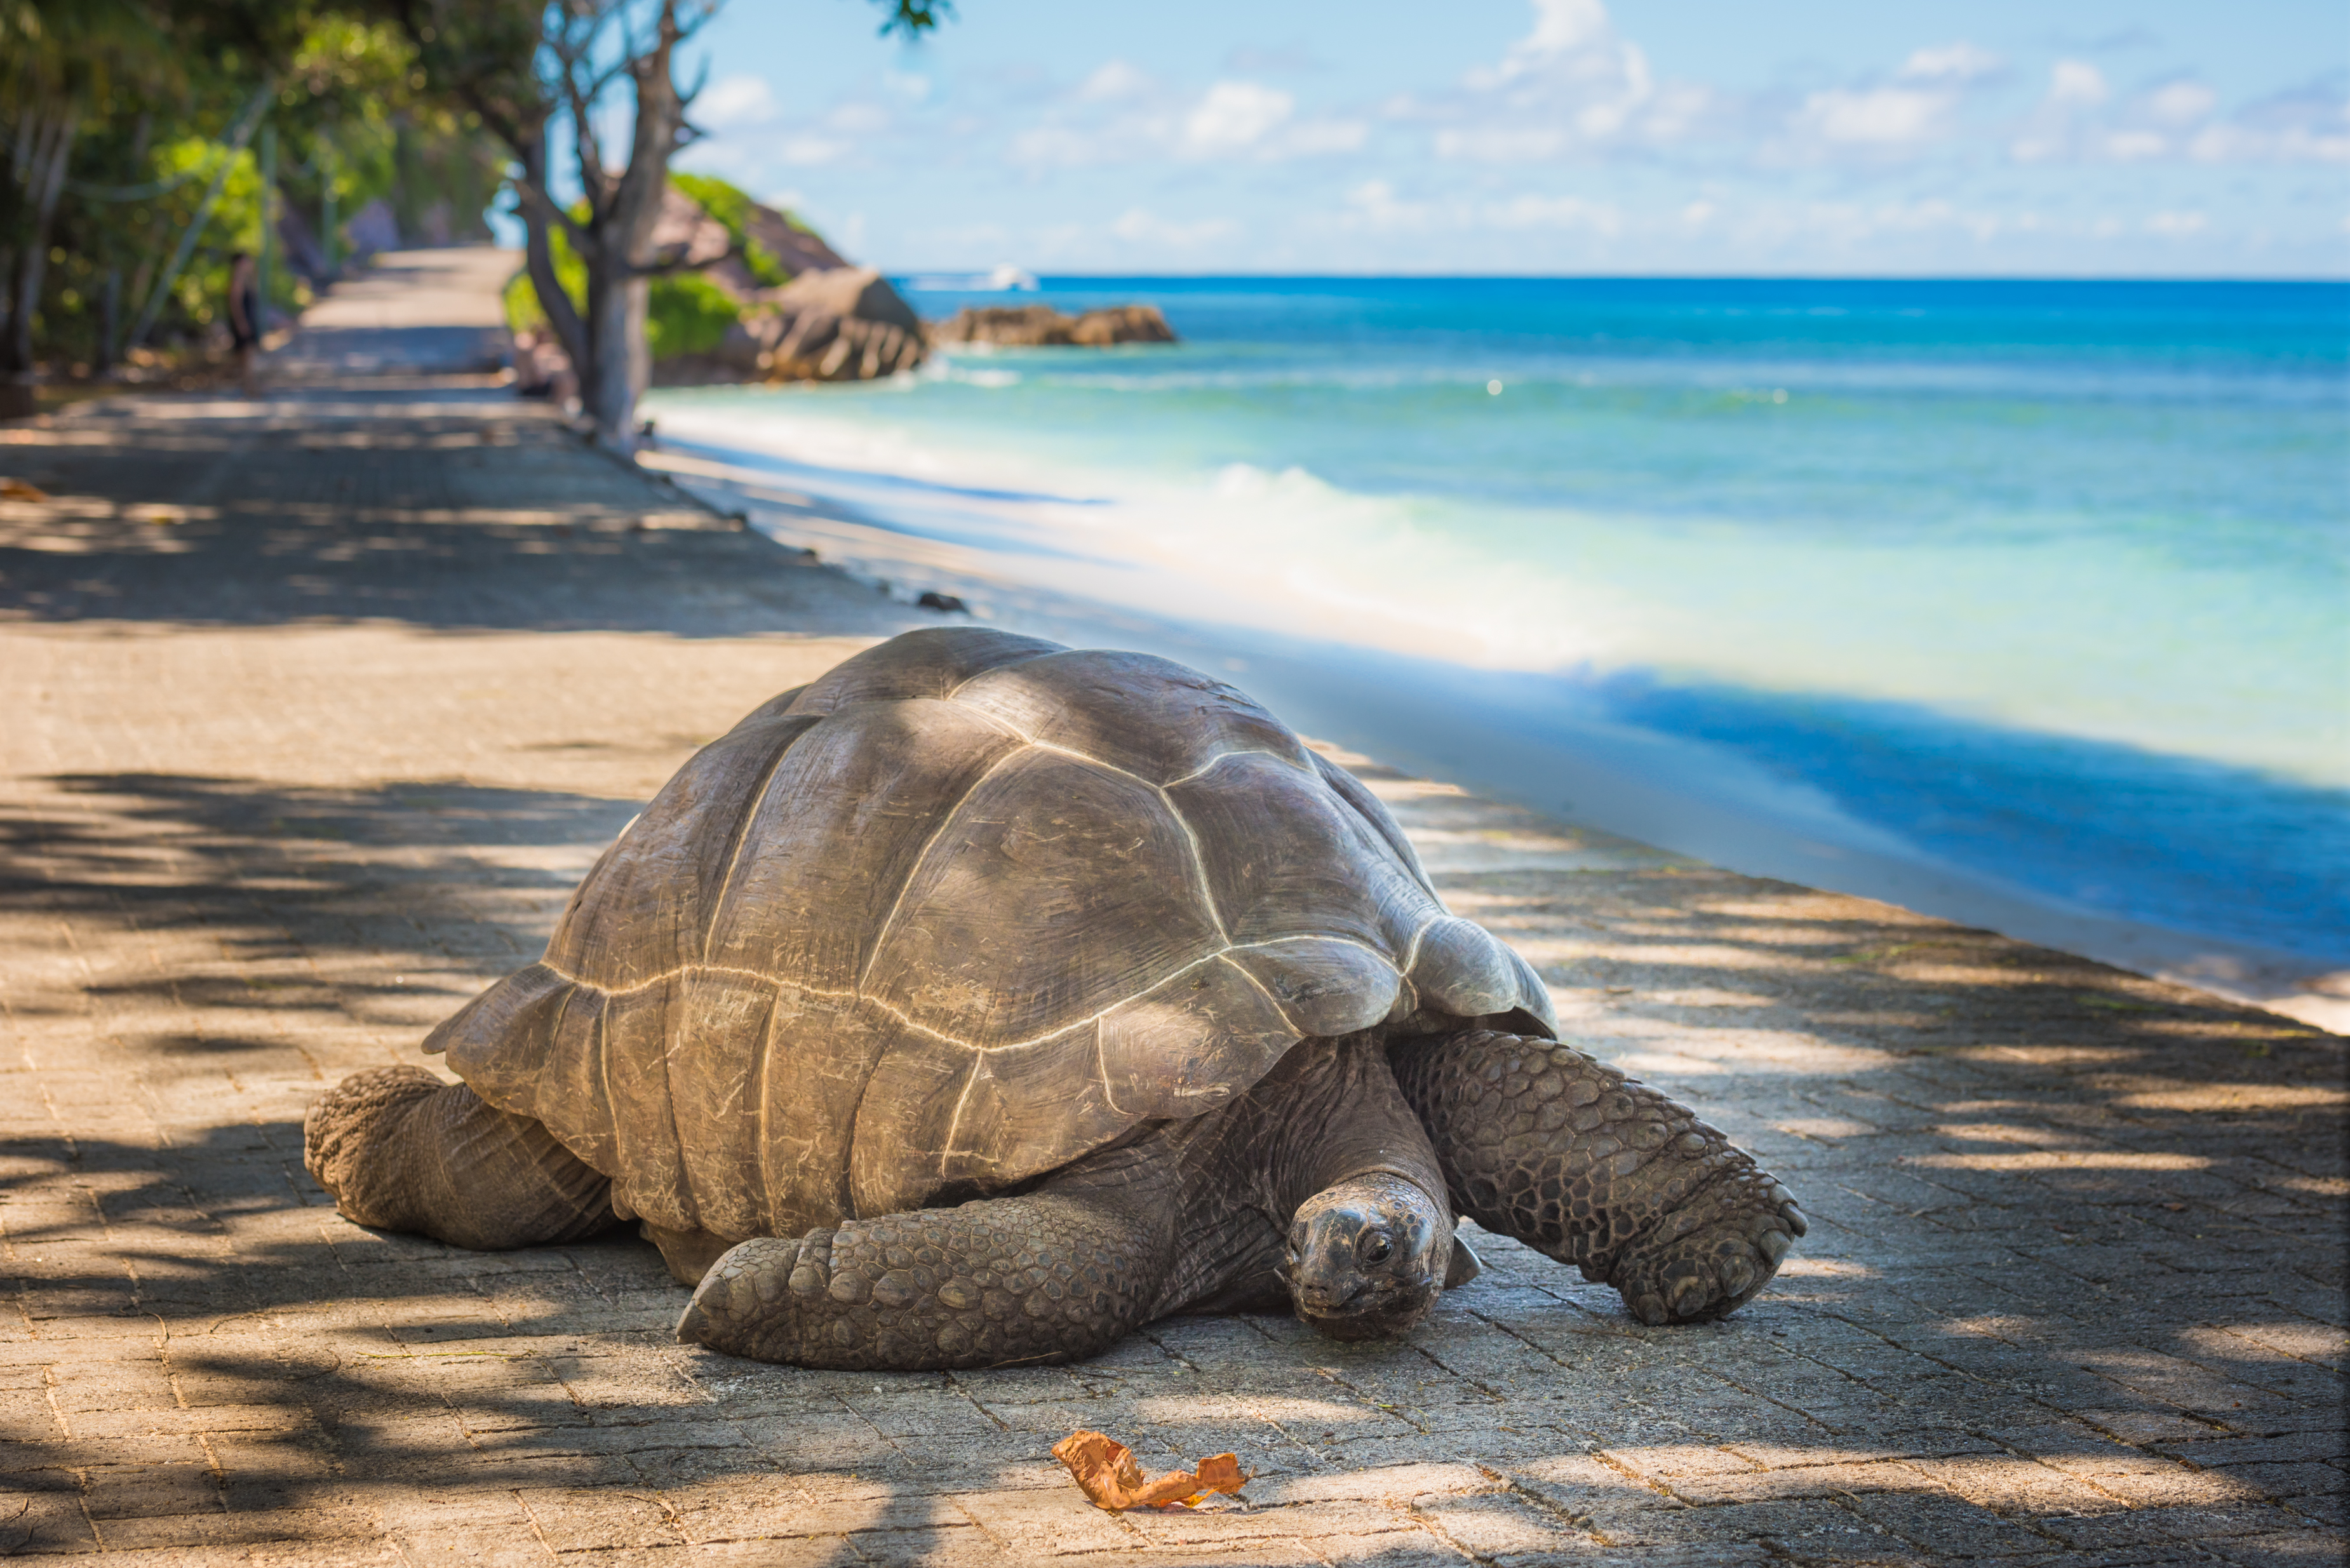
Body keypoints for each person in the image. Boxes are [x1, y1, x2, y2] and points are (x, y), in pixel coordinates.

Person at [225, 251, 260, 394]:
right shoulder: (237, 280)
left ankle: (249, 385)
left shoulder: (246, 279)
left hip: (247, 321)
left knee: (243, 356)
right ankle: (248, 387)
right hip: (243, 322)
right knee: (246, 356)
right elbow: (235, 304)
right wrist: (241, 323)